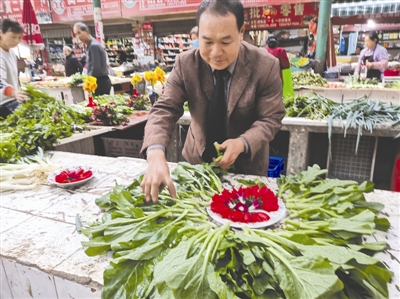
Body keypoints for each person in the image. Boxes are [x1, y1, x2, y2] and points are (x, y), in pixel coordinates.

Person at [140, 0, 285, 202]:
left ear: (241, 31)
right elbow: (165, 109)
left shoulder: (265, 66)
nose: (216, 53)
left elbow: (272, 117)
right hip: (197, 166)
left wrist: (243, 143)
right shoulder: (185, 64)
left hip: (246, 169)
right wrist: (155, 153)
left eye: (225, 42)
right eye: (207, 42)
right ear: (198, 34)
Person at [73, 22, 111, 95]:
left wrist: (88, 81)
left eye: (79, 33)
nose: (78, 36)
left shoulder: (93, 46)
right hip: (98, 81)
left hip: (99, 82)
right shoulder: (91, 45)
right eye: (76, 34)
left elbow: (95, 67)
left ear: (86, 31)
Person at [0, 19, 27, 119]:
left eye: (19, 37)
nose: (16, 41)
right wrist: (14, 92)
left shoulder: (11, 53)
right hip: (2, 104)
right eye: (13, 37)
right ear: (1, 33)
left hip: (12, 101)